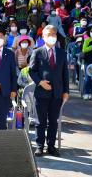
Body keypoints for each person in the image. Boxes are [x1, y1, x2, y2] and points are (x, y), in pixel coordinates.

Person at [29, 25, 69, 157]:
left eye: (54, 34)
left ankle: (51, 146)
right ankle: (39, 146)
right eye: (49, 34)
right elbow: (32, 71)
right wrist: (40, 82)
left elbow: (65, 74)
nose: (52, 36)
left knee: (53, 121)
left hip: (57, 93)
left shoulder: (62, 53)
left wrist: (66, 92)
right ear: (43, 37)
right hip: (41, 93)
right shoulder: (37, 52)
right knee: (40, 121)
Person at [81, 23, 92, 101]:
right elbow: (84, 50)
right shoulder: (87, 40)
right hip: (88, 62)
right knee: (87, 79)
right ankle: (86, 93)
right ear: (89, 32)